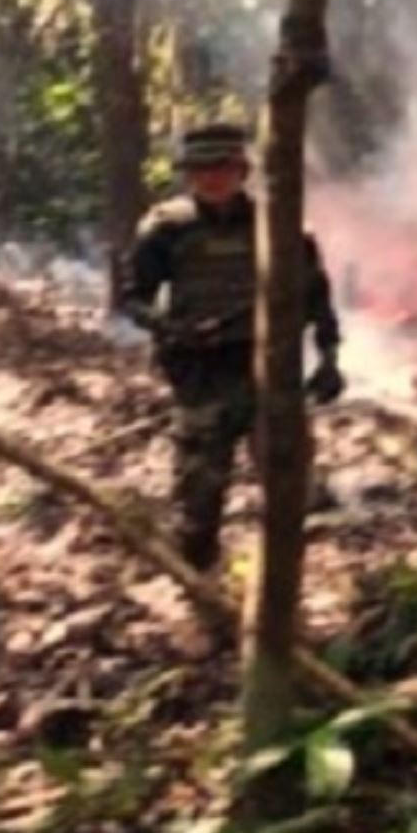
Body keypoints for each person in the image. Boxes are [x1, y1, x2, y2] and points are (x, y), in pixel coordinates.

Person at [121, 122, 345, 573]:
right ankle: (201, 596)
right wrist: (170, 328)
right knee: (198, 505)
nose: (213, 177)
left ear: (242, 170)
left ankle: (278, 607)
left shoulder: (278, 227)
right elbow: (131, 298)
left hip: (269, 370)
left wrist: (329, 359)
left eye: (223, 167)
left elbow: (317, 298)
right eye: (202, 168)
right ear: (187, 174)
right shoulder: (166, 230)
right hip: (201, 378)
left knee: (289, 494)